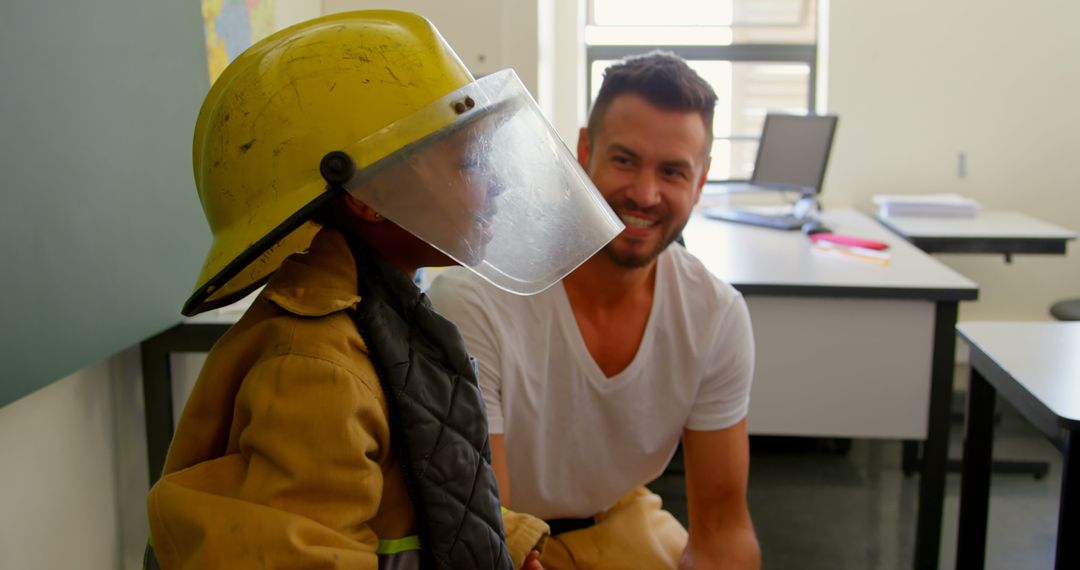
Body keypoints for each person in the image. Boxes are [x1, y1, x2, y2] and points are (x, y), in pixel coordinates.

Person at [145, 11, 624, 570]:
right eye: (470, 161)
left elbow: (420, 477)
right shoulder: (316, 372)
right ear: (369, 194)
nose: (495, 183)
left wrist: (507, 546)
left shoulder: (387, 316)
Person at [428, 52, 760, 568]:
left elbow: (723, 527)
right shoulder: (477, 301)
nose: (645, 194)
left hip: (622, 519)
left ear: (702, 181)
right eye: (625, 160)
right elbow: (491, 527)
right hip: (510, 543)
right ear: (584, 149)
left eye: (673, 171)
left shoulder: (715, 314)